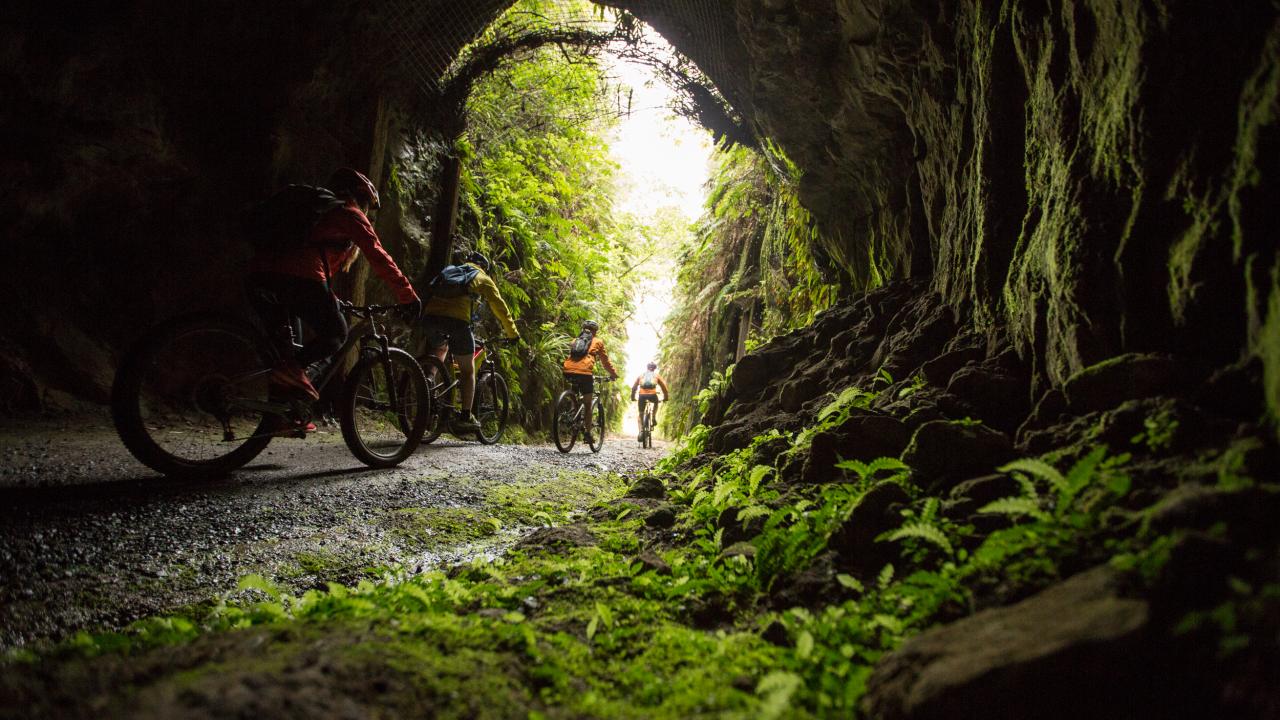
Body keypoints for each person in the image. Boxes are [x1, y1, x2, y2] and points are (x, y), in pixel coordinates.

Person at [246, 168, 420, 431]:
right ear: (360, 197)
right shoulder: (349, 213)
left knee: (287, 353)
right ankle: (291, 381)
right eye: (368, 207)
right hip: (296, 279)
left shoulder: (321, 216)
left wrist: (332, 298)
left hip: (260, 274)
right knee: (337, 333)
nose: (368, 214)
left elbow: (312, 264)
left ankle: (281, 414)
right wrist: (408, 296)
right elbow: (378, 255)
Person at [419, 249, 519, 433]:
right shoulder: (482, 278)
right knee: (467, 370)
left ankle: (428, 378)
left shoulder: (450, 270)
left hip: (429, 317)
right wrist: (513, 333)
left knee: (440, 348)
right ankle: (466, 416)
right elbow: (500, 307)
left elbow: (429, 288)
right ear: (484, 267)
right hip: (457, 322)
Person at [562, 319, 617, 443]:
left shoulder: (574, 341)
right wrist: (613, 374)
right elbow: (605, 362)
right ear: (595, 331)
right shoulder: (598, 342)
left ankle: (572, 414)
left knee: (575, 395)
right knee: (587, 404)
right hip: (585, 373)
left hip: (568, 370)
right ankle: (587, 434)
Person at [630, 361, 668, 436]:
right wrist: (666, 397)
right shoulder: (656, 376)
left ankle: (641, 431)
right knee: (656, 403)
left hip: (642, 396)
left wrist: (633, 397)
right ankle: (653, 417)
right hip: (653, 395)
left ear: (647, 368)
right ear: (654, 368)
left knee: (641, 413)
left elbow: (634, 388)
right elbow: (664, 388)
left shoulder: (641, 375)